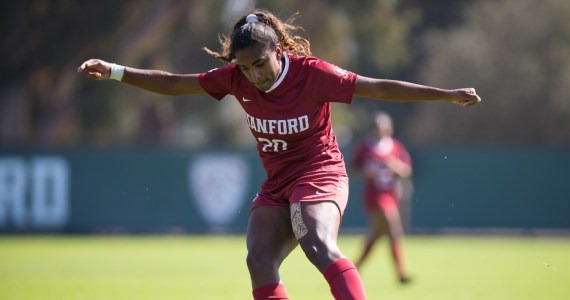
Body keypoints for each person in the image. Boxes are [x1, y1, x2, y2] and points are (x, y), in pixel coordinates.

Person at [78, 8, 481, 300]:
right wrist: (115, 71)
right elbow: (173, 83)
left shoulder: (313, 74)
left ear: (279, 51)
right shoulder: (235, 79)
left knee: (316, 242)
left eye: (260, 64)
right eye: (246, 68)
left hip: (320, 172)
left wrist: (445, 95)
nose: (255, 75)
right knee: (258, 258)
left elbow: (377, 87)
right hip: (277, 184)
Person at [352, 111, 414, 285]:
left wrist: (395, 166)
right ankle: (401, 274)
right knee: (394, 228)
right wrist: (366, 173)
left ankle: (354, 269)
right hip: (374, 195)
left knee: (378, 233)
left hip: (391, 193)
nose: (380, 129)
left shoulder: (395, 146)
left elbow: (406, 170)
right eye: (377, 126)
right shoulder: (365, 147)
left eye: (383, 126)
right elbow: (354, 169)